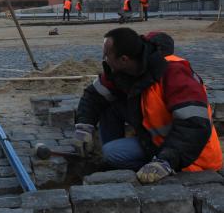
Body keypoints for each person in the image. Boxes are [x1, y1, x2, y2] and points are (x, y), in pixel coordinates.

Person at [74, 27, 222, 183]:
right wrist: (84, 125)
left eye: (106, 55)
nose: (104, 59)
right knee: (109, 105)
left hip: (191, 155)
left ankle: (145, 168)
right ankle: (114, 165)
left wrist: (166, 160)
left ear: (123, 59)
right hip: (153, 140)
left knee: (111, 153)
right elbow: (94, 95)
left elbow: (194, 126)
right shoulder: (124, 69)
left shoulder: (174, 74)